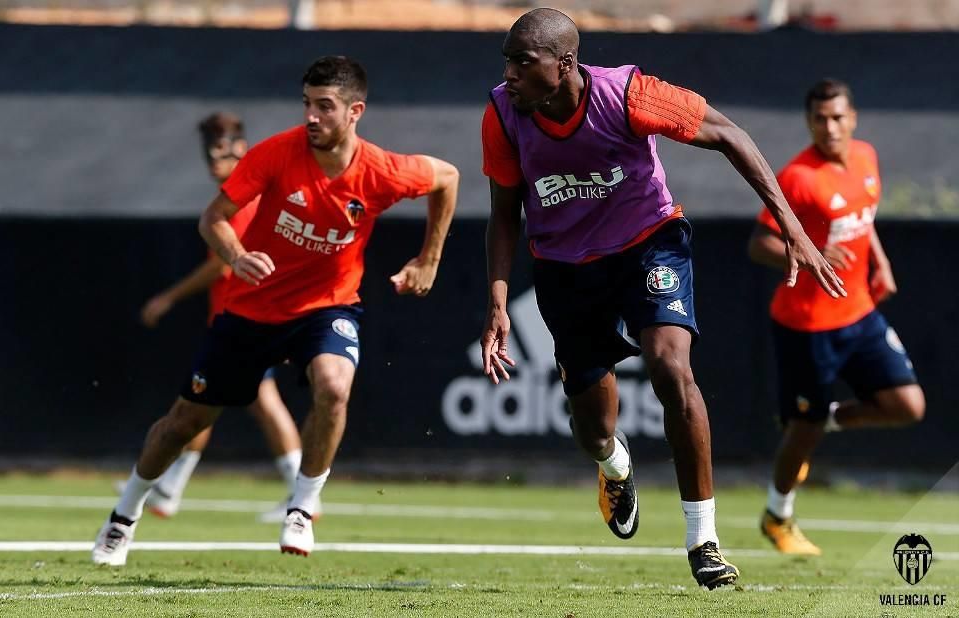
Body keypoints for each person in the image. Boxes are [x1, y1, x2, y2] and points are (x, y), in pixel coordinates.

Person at [479, 8, 845, 590]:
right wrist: (498, 302)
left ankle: (704, 540)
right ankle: (615, 466)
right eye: (508, 62)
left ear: (566, 64)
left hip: (648, 243)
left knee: (671, 369)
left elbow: (730, 135)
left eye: (523, 62)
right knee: (594, 429)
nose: (510, 75)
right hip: (565, 267)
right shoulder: (502, 113)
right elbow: (504, 213)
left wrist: (793, 227)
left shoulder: (628, 94)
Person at [93, 56, 459, 566]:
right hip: (252, 312)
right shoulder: (276, 155)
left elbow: (448, 177)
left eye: (324, 107)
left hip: (327, 306)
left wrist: (429, 259)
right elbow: (213, 219)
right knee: (184, 422)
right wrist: (237, 256)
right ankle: (125, 514)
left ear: (355, 111)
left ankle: (302, 508)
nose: (311, 116)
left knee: (333, 385)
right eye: (307, 104)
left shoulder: (381, 171)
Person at [749, 79, 924, 555]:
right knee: (799, 438)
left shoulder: (865, 156)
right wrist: (806, 250)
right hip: (806, 327)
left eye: (838, 116)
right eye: (820, 118)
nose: (830, 126)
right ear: (809, 122)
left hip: (859, 314)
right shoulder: (798, 177)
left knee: (908, 405)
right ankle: (777, 516)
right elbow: (759, 243)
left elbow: (863, 219)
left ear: (853, 117)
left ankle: (821, 419)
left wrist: (879, 261)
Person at [132, 112, 302, 523]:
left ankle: (302, 497)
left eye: (221, 150)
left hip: (246, 318)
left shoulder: (244, 194)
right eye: (209, 152)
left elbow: (223, 266)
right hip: (238, 316)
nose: (213, 161)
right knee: (208, 400)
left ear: (239, 148)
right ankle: (171, 487)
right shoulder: (240, 189)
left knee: (226, 399)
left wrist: (168, 298)